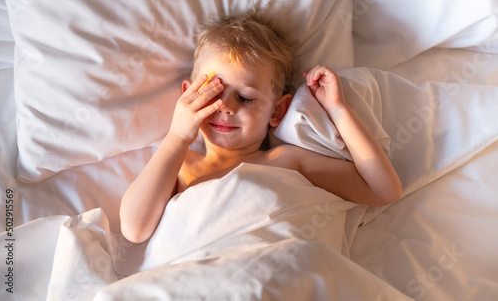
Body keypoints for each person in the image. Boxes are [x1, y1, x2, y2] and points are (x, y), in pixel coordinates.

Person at [120, 13, 402, 243]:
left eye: (245, 98)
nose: (226, 108)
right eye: (213, 94)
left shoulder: (286, 161)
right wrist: (178, 135)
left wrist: (338, 110)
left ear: (277, 111)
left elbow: (382, 190)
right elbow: (134, 229)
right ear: (188, 96)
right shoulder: (179, 165)